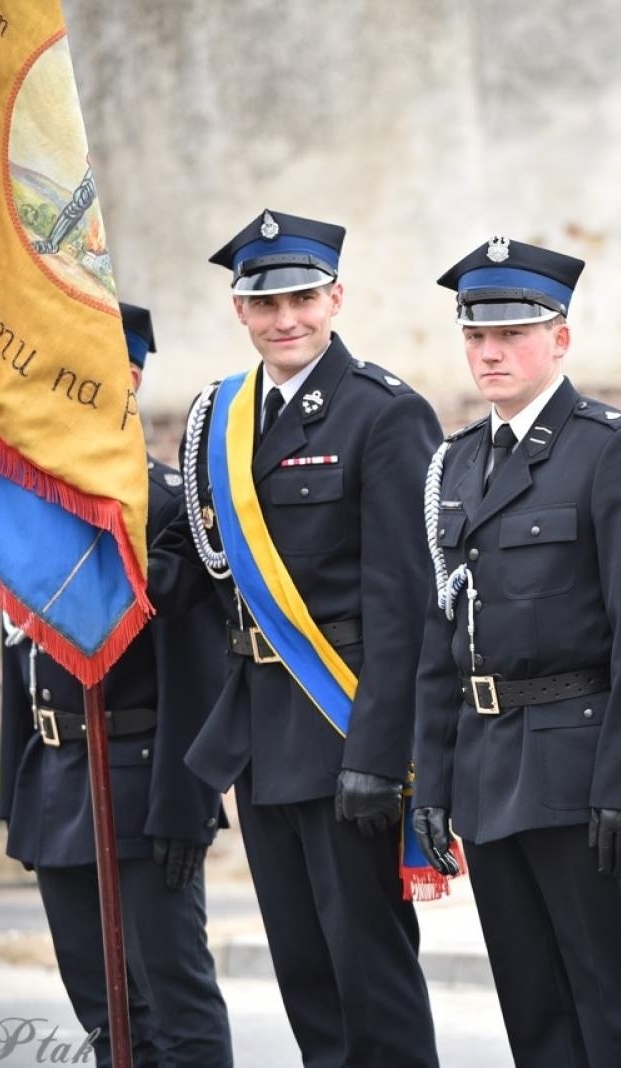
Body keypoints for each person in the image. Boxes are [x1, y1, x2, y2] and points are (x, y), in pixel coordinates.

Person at [147, 210, 442, 1067]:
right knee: (306, 979)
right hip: (261, 738)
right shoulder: (220, 420)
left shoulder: (385, 415)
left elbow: (407, 607)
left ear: (336, 298)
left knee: (370, 977)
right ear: (238, 309)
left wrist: (382, 755)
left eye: (303, 298)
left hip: (346, 724)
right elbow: (187, 569)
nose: (286, 319)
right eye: (264, 301)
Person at [411, 236, 621, 1067]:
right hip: (489, 775)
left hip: (583, 775)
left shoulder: (615, 448)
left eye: (513, 333)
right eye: (476, 336)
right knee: (536, 1019)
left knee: (619, 1012)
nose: (491, 352)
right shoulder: (456, 465)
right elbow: (441, 635)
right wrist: (431, 776)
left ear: (560, 338)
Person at [0, 302, 232, 1068]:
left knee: (174, 1006)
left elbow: (194, 673)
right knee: (105, 1017)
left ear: (128, 377)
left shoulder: (165, 507)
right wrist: (19, 792)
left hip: (139, 785)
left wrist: (184, 806)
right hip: (59, 786)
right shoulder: (33, 506)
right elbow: (19, 656)